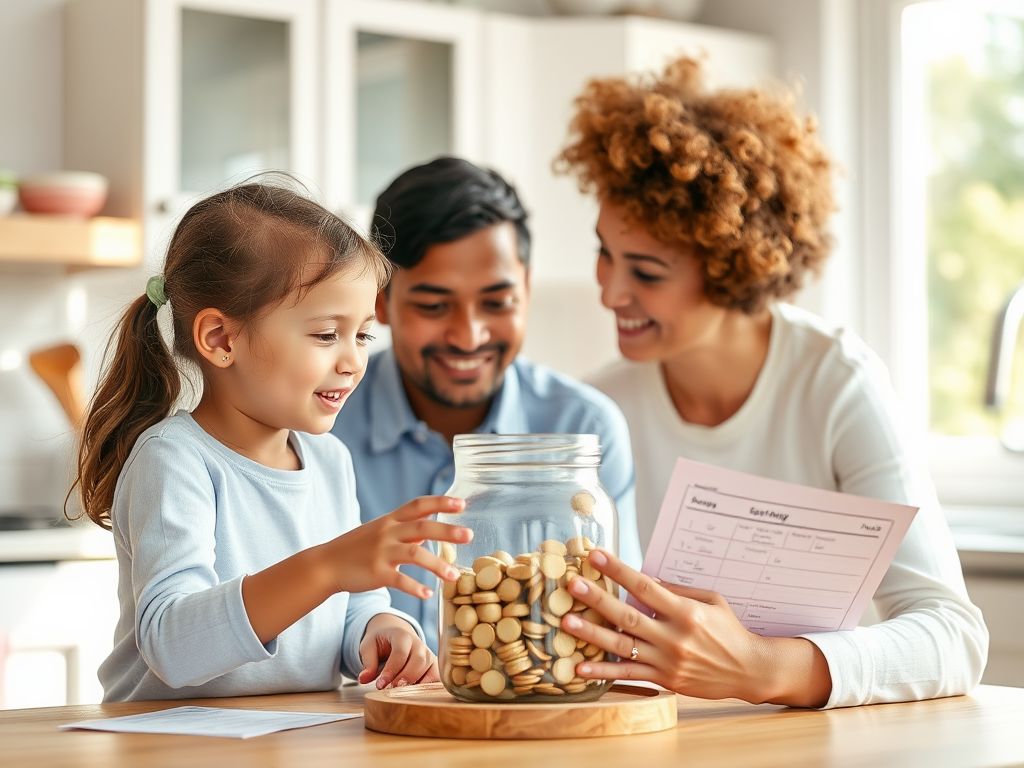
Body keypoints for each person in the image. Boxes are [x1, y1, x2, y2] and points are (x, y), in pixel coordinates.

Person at [552, 57, 988, 709]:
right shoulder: (598, 410)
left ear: (731, 265)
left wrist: (765, 667)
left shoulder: (836, 384)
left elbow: (953, 636)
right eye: (605, 253)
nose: (611, 290)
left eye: (646, 271)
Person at [71, 182, 473, 702]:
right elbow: (172, 644)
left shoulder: (330, 459)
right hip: (165, 744)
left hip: (289, 739)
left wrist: (383, 630)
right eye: (327, 334)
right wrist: (326, 567)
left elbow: (350, 606)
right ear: (221, 339)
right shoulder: (174, 460)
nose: (352, 361)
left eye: (363, 335)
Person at [331, 157, 642, 652]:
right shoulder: (322, 422)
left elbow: (616, 615)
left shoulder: (585, 429)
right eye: (434, 306)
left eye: (497, 303)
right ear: (381, 301)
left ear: (527, 289)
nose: (468, 336)